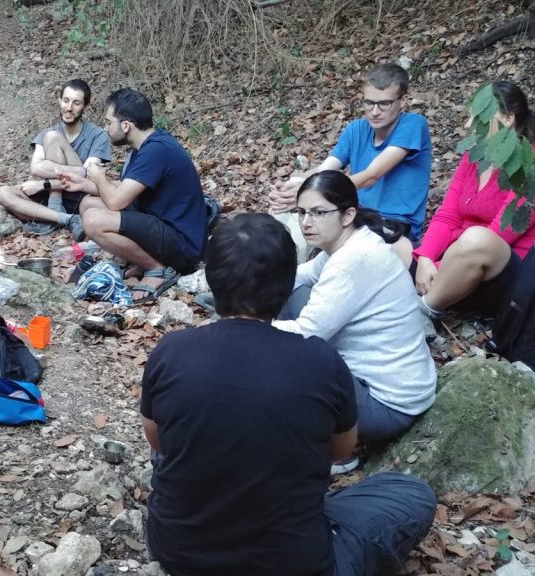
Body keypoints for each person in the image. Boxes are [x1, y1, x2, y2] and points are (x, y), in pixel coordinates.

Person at [141, 213, 436, 576]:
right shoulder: (322, 361)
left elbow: (157, 439)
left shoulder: (171, 350)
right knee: (412, 494)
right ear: (286, 285)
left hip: (179, 552)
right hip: (293, 563)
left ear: (213, 282)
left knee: (180, 439)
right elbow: (340, 450)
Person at [274, 171, 437, 472]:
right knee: (294, 296)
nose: (306, 222)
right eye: (301, 212)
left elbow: (306, 332)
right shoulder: (350, 243)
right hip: (388, 382)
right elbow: (301, 276)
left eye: (318, 212)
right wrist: (248, 286)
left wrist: (244, 327)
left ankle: (338, 451)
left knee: (291, 358)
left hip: (388, 404)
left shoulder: (353, 260)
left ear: (348, 215)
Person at [59, 88, 208, 303]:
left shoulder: (156, 151)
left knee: (93, 220)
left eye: (109, 122)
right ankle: (143, 260)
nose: (106, 128)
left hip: (183, 243)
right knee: (89, 203)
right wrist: (84, 183)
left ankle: (156, 269)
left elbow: (115, 201)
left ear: (126, 125)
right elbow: (124, 188)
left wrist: (98, 177)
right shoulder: (146, 146)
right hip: (159, 223)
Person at [271, 63, 432, 243]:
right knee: (284, 218)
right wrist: (292, 186)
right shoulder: (356, 129)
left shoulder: (413, 124)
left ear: (403, 101)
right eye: (369, 103)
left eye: (384, 103)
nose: (375, 112)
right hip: (355, 215)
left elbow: (371, 175)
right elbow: (324, 170)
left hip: (394, 224)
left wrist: (309, 193)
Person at [414, 80, 535, 319]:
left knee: (478, 238)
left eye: (478, 119)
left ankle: (423, 311)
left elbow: (500, 234)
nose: (469, 125)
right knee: (396, 247)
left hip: (504, 274)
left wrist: (438, 270)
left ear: (508, 119)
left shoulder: (529, 164)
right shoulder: (475, 156)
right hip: (453, 257)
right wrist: (424, 258)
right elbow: (448, 215)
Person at [0, 79, 111, 238]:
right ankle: (66, 219)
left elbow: (88, 179)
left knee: (53, 138)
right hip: (48, 198)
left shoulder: (98, 135)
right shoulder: (46, 132)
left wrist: (44, 184)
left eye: (76, 103)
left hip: (79, 197)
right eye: (66, 100)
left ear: (86, 106)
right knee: (3, 193)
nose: (69, 108)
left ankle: (51, 213)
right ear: (59, 100)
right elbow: (36, 168)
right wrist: (80, 171)